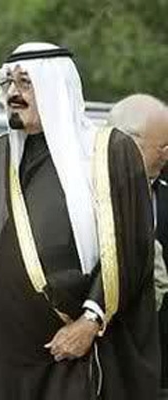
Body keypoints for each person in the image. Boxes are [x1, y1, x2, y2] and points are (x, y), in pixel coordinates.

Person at [0, 42, 159, 399]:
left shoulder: (107, 152)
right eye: (8, 83)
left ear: (56, 88)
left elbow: (131, 248)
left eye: (25, 83)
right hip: (6, 352)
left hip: (73, 346)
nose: (13, 93)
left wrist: (90, 320)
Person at [109, 94, 168, 396]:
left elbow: (159, 281)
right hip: (95, 356)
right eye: (163, 146)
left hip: (154, 364)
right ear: (130, 142)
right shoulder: (81, 194)